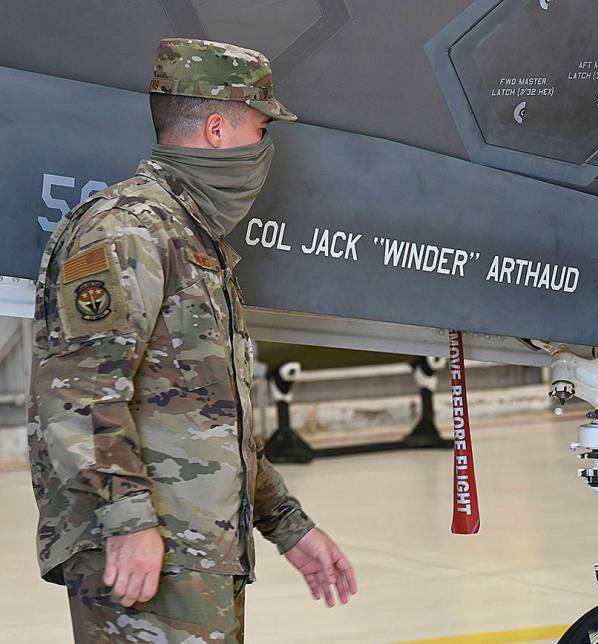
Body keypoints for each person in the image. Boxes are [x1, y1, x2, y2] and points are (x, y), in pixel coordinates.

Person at [28, 38, 356, 642]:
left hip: (190, 553)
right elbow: (77, 394)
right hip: (145, 554)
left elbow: (205, 419)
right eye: (260, 129)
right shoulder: (127, 232)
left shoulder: (189, 239)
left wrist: (288, 525)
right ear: (215, 128)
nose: (265, 149)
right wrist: (127, 523)